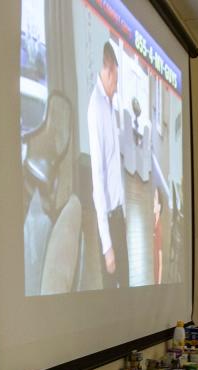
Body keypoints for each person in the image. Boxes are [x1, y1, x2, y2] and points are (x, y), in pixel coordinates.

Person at [87, 41, 128, 289]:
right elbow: (97, 179)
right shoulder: (96, 109)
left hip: (119, 216)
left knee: (127, 293)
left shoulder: (110, 106)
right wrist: (107, 245)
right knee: (114, 292)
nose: (117, 86)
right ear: (110, 69)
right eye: (117, 79)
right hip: (109, 221)